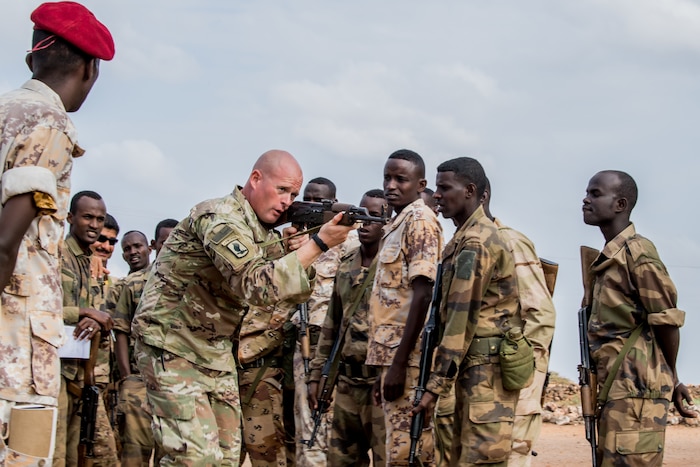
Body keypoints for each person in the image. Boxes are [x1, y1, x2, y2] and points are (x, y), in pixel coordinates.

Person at [131, 150, 354, 465]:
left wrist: (299, 251)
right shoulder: (219, 216)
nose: (287, 201)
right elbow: (256, 285)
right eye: (282, 190)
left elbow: (289, 293)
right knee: (194, 458)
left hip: (214, 349)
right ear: (255, 179)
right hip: (172, 344)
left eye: (293, 193)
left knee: (225, 456)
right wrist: (319, 244)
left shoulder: (264, 233)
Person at [0, 2, 113, 463]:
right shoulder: (49, 124)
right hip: (17, 346)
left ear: (32, 60)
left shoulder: (7, 112)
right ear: (91, 69)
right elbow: (6, 241)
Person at [581, 170, 696, 466]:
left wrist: (671, 377)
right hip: (617, 389)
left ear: (620, 204)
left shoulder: (638, 255)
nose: (585, 199)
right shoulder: (609, 259)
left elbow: (667, 320)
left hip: (636, 394)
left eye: (595, 194)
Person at [412, 157, 521, 466]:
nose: (436, 195)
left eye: (445, 188)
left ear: (470, 191)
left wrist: (434, 387)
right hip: (473, 371)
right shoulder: (463, 238)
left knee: (480, 460)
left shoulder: (476, 242)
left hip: (485, 375)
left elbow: (460, 318)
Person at [367, 149, 442, 466]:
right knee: (396, 452)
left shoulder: (420, 222)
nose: (391, 185)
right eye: (387, 177)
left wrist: (398, 365)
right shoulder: (397, 224)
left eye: (401, 179)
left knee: (407, 455)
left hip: (409, 362)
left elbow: (423, 295)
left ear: (420, 184)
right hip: (392, 358)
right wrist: (382, 370)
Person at [307, 189, 389, 467]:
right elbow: (332, 322)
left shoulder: (393, 267)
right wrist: (316, 375)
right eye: (362, 215)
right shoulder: (346, 263)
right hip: (346, 383)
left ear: (388, 221)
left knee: (387, 459)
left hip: (380, 385)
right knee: (340, 460)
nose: (366, 223)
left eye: (375, 217)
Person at [481, 179, 557, 466]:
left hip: (513, 385)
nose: (438, 196)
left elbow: (541, 313)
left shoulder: (510, 241)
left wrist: (523, 375)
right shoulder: (463, 242)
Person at [292, 176, 359, 467]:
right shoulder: (294, 238)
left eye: (321, 201)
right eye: (308, 198)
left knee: (328, 423)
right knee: (305, 423)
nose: (313, 206)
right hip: (302, 340)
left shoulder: (348, 238)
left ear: (333, 203)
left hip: (332, 344)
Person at [55, 191, 118, 466]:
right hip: (55, 371)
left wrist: (95, 318)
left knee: (77, 455)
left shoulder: (89, 263)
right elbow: (42, 310)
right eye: (87, 217)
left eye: (99, 219)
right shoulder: (57, 255)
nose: (94, 225)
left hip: (82, 375)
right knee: (55, 453)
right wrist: (83, 312)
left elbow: (104, 318)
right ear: (70, 217)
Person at [113, 225, 172, 466]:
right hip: (140, 381)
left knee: (170, 452)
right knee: (134, 452)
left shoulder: (193, 282)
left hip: (175, 383)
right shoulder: (134, 283)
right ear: (155, 245)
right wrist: (128, 377)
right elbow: (121, 331)